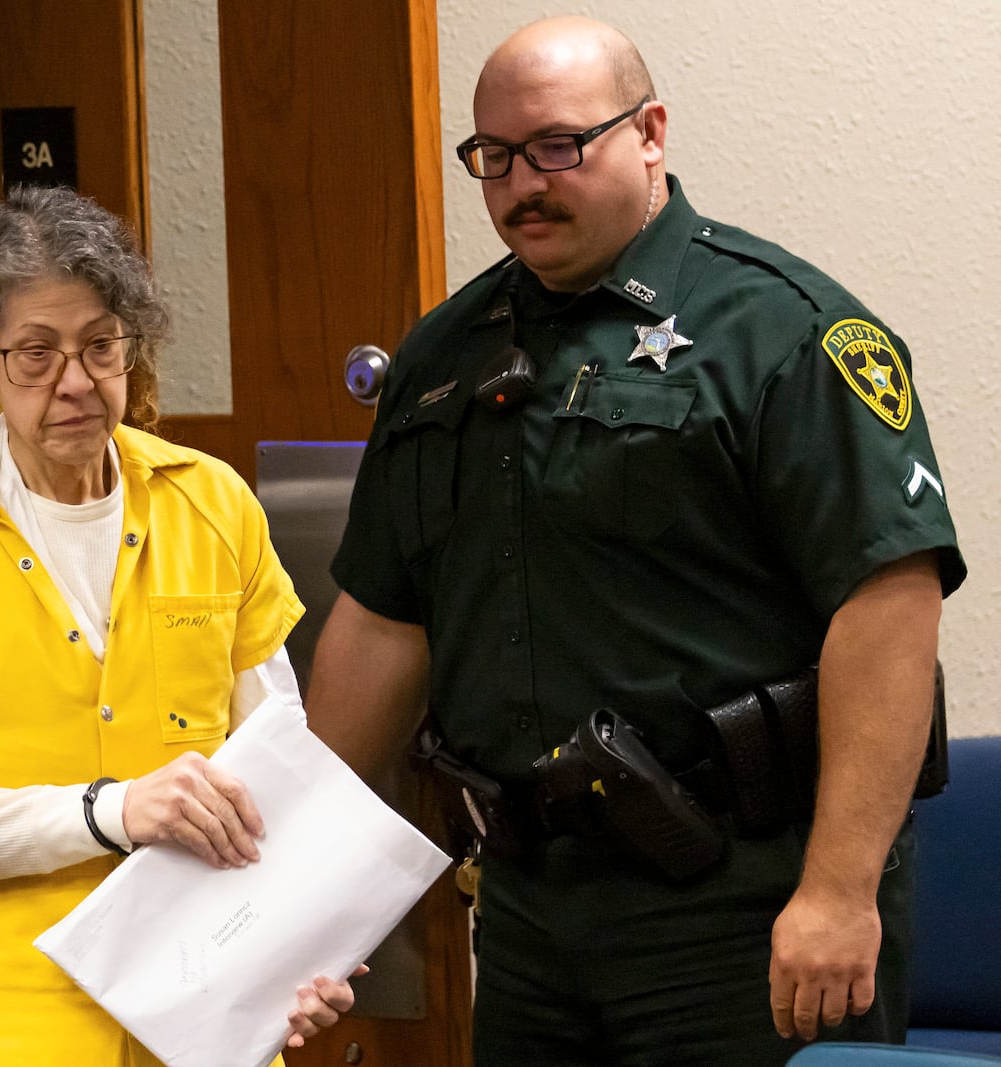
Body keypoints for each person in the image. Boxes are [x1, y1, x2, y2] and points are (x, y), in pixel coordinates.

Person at [306, 16, 965, 1067]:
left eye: (560, 145)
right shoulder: (442, 357)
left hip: (744, 906)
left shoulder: (781, 330)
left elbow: (888, 604)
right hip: (531, 913)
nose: (525, 182)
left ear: (650, 131)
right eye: (496, 157)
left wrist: (838, 888)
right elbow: (384, 624)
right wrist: (292, 885)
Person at [0, 184, 360, 1066]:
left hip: (211, 1014)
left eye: (102, 346)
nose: (76, 382)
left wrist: (304, 953)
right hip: (11, 1026)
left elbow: (278, 766)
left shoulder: (211, 502)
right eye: (35, 353)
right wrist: (110, 813)